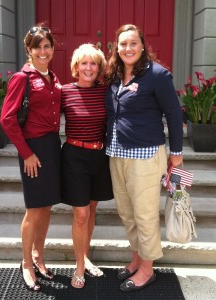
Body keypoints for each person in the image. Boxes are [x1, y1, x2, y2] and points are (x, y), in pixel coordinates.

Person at [104, 24, 183, 292]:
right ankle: (137, 259)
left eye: (133, 43)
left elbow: (174, 115)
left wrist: (177, 154)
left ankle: (148, 270)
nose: (128, 48)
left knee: (145, 214)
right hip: (117, 154)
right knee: (128, 213)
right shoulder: (115, 75)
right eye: (123, 43)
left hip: (146, 155)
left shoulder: (157, 75)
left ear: (142, 45)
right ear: (117, 47)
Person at [0, 25, 62, 292]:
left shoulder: (53, 77)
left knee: (47, 207)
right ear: (29, 49)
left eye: (47, 45)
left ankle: (39, 256)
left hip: (51, 146)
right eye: (38, 46)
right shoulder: (21, 78)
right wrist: (26, 153)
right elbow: (6, 119)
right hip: (32, 150)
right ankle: (26, 262)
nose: (43, 51)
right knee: (34, 209)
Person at [61, 43, 113, 289]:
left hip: (99, 157)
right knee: (80, 213)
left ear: (99, 67)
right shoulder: (65, 91)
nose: (89, 68)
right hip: (74, 157)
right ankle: (79, 266)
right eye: (84, 63)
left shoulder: (106, 92)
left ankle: (85, 256)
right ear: (76, 66)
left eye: (93, 63)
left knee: (92, 211)